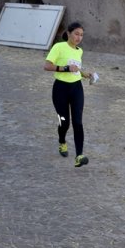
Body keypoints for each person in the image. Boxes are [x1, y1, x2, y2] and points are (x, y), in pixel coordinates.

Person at [44, 22, 94, 167]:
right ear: (69, 33)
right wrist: (65, 68)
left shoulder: (80, 51)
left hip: (77, 88)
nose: (79, 37)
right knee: (63, 121)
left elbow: (76, 69)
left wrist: (86, 74)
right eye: (76, 34)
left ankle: (79, 155)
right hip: (60, 89)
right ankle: (62, 141)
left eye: (81, 35)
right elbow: (47, 66)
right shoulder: (58, 47)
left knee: (78, 122)